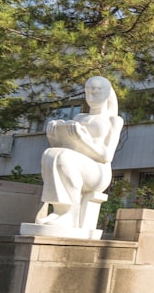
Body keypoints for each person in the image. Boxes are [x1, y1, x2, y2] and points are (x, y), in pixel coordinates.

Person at [39, 76, 124, 232]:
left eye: (96, 91)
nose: (91, 97)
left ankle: (70, 214)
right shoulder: (79, 117)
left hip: (98, 171)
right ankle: (59, 210)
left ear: (106, 93)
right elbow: (67, 146)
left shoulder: (114, 120)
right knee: (49, 153)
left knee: (64, 157)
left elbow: (106, 156)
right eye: (88, 91)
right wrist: (54, 136)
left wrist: (84, 139)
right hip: (76, 162)